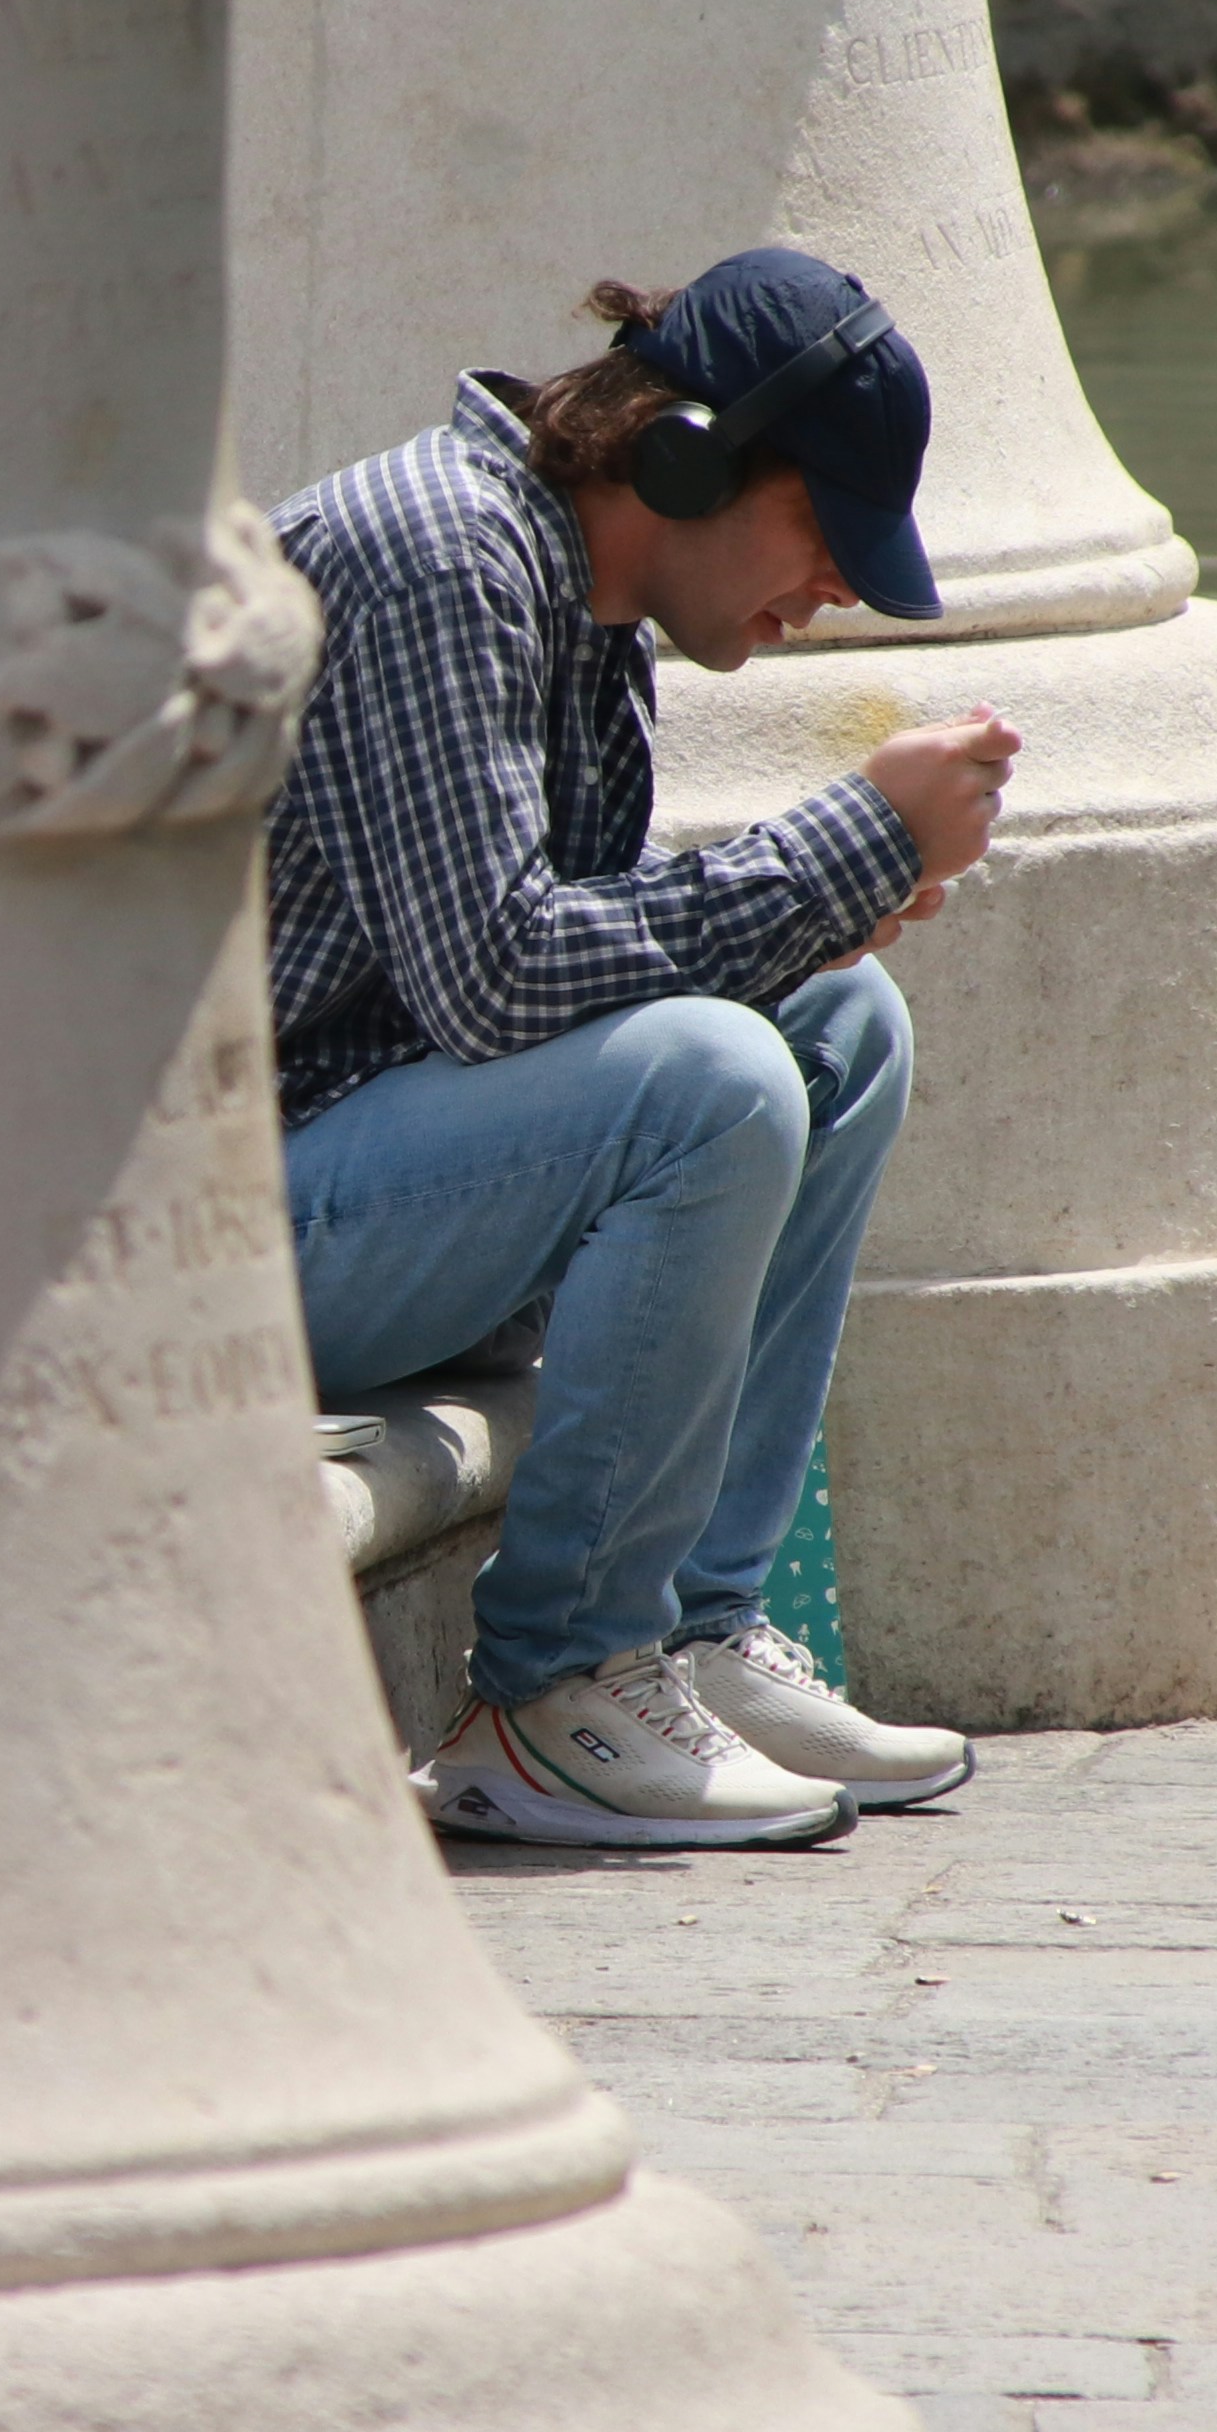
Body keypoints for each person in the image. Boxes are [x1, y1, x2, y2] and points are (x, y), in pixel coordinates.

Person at [266, 247, 1020, 1854]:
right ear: (683, 452)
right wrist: (843, 852)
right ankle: (553, 1696)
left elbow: (536, 962)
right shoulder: (437, 556)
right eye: (824, 530)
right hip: (226, 1225)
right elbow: (496, 978)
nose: (832, 591)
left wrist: (811, 921)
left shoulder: (573, 593)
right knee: (717, 1075)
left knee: (834, 1023)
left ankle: (682, 1630)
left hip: (366, 1178)